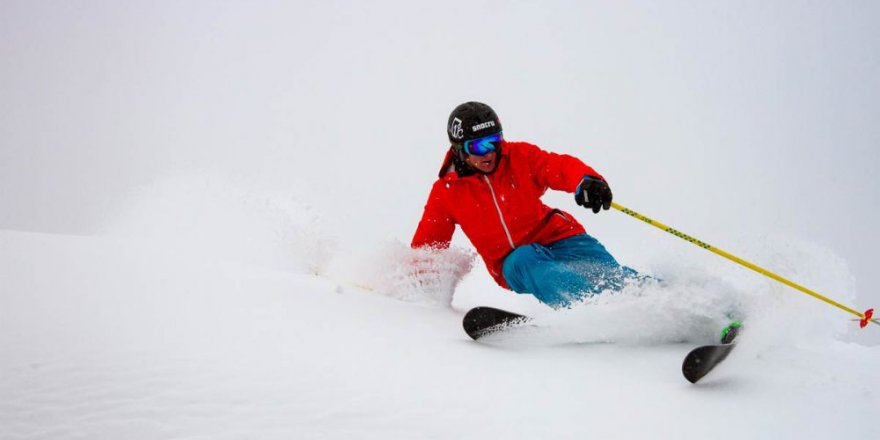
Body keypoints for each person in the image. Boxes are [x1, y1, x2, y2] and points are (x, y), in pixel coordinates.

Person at [411, 102, 638, 308]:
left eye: (495, 141)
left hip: (562, 237)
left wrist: (586, 180)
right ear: (460, 150)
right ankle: (597, 309)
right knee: (528, 260)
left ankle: (663, 301)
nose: (489, 152)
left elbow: (558, 167)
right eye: (479, 147)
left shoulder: (519, 156)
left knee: (613, 277)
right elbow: (427, 247)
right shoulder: (447, 192)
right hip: (514, 262)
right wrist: (415, 288)